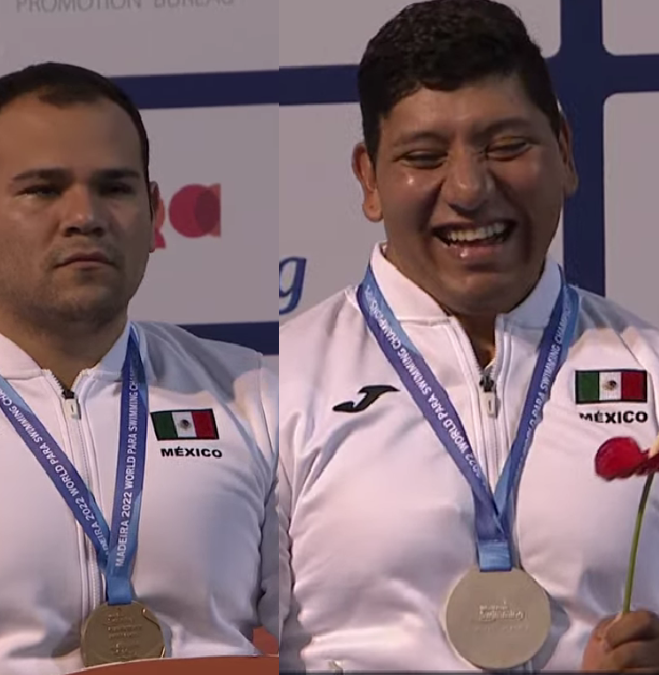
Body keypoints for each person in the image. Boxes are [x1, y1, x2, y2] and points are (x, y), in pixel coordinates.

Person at [0, 62, 277, 674]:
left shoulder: (256, 393)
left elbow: (322, 633)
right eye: (42, 190)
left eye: (115, 188)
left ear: (155, 210)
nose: (85, 216)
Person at [278, 0, 659, 671]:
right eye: (423, 156)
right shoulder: (273, 392)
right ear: (369, 180)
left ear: (566, 151)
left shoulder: (651, 367)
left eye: (507, 146)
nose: (470, 187)